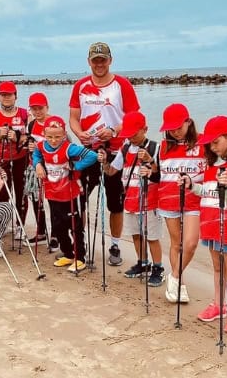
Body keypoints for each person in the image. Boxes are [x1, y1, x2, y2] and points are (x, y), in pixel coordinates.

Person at [69, 42, 141, 267]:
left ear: (110, 60)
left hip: (116, 151)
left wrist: (114, 130)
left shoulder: (122, 84)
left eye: (103, 59)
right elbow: (73, 117)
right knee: (79, 197)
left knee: (116, 203)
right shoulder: (80, 85)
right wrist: (79, 133)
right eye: (95, 60)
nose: (99, 64)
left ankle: (116, 244)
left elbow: (134, 118)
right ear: (89, 61)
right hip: (88, 151)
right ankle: (79, 243)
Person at [180, 115, 227, 335]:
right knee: (218, 267)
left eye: (216, 142)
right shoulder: (213, 164)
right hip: (212, 224)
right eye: (209, 143)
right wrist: (192, 185)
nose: (212, 146)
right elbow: (207, 191)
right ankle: (219, 305)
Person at [97, 112, 165, 286]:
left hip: (150, 201)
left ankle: (158, 268)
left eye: (135, 134)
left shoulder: (155, 148)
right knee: (136, 235)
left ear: (145, 129)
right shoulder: (125, 148)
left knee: (152, 237)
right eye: (128, 134)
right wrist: (104, 161)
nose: (132, 138)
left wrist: (150, 161)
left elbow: (160, 175)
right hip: (130, 200)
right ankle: (142, 263)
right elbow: (111, 171)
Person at [33, 116, 97, 272]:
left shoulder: (69, 148)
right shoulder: (41, 146)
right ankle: (68, 253)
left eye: (57, 137)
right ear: (44, 134)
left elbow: (92, 156)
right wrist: (38, 165)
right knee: (58, 225)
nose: (53, 140)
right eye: (49, 137)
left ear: (64, 134)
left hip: (69, 194)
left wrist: (76, 166)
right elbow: (36, 155)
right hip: (52, 194)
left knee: (74, 226)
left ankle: (80, 257)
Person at [157, 104, 206, 302]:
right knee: (176, 242)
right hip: (168, 199)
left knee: (191, 243)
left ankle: (174, 276)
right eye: (171, 128)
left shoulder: (203, 142)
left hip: (194, 199)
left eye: (179, 127)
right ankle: (180, 284)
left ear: (189, 122)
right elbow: (155, 172)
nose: (175, 132)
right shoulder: (163, 146)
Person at [0, 81, 29, 240]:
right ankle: (3, 224)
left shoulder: (25, 114)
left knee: (21, 194)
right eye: (3, 95)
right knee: (3, 194)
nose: (6, 98)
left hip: (21, 160)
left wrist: (17, 137)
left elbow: (31, 138)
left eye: (9, 94)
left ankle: (20, 226)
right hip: (2, 160)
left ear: (15, 96)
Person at [25, 92, 51, 246]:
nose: (37, 112)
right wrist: (30, 147)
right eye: (34, 109)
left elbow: (63, 144)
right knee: (36, 200)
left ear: (47, 107)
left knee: (53, 203)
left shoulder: (55, 122)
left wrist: (40, 148)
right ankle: (41, 232)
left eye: (40, 108)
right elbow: (29, 142)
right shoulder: (31, 124)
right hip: (35, 167)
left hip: (52, 167)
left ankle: (55, 235)